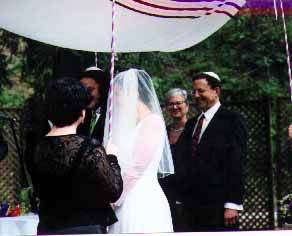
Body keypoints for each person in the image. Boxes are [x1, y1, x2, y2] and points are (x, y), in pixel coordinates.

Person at [26, 77, 123, 235]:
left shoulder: (36, 147)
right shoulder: (89, 148)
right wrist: (112, 158)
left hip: (48, 229)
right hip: (85, 229)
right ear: (82, 113)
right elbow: (114, 191)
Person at [103, 69, 174, 233]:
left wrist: (115, 199)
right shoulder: (132, 127)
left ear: (133, 92)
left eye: (119, 94)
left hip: (141, 199)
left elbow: (137, 167)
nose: (117, 101)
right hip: (126, 196)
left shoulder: (151, 123)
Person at [176, 72, 247, 232]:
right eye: (194, 91)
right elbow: (183, 161)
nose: (196, 95)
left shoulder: (233, 120)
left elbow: (237, 163)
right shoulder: (192, 124)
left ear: (216, 91)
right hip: (191, 207)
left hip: (219, 206)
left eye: (201, 91)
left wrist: (232, 204)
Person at [159, 88, 189, 231]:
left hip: (188, 193)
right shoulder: (163, 132)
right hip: (166, 191)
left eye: (178, 103)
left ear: (187, 105)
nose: (175, 107)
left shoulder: (193, 130)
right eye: (170, 104)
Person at [78, 66, 109, 143]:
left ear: (102, 90)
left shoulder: (110, 116)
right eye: (82, 90)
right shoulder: (78, 114)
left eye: (90, 90)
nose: (85, 94)